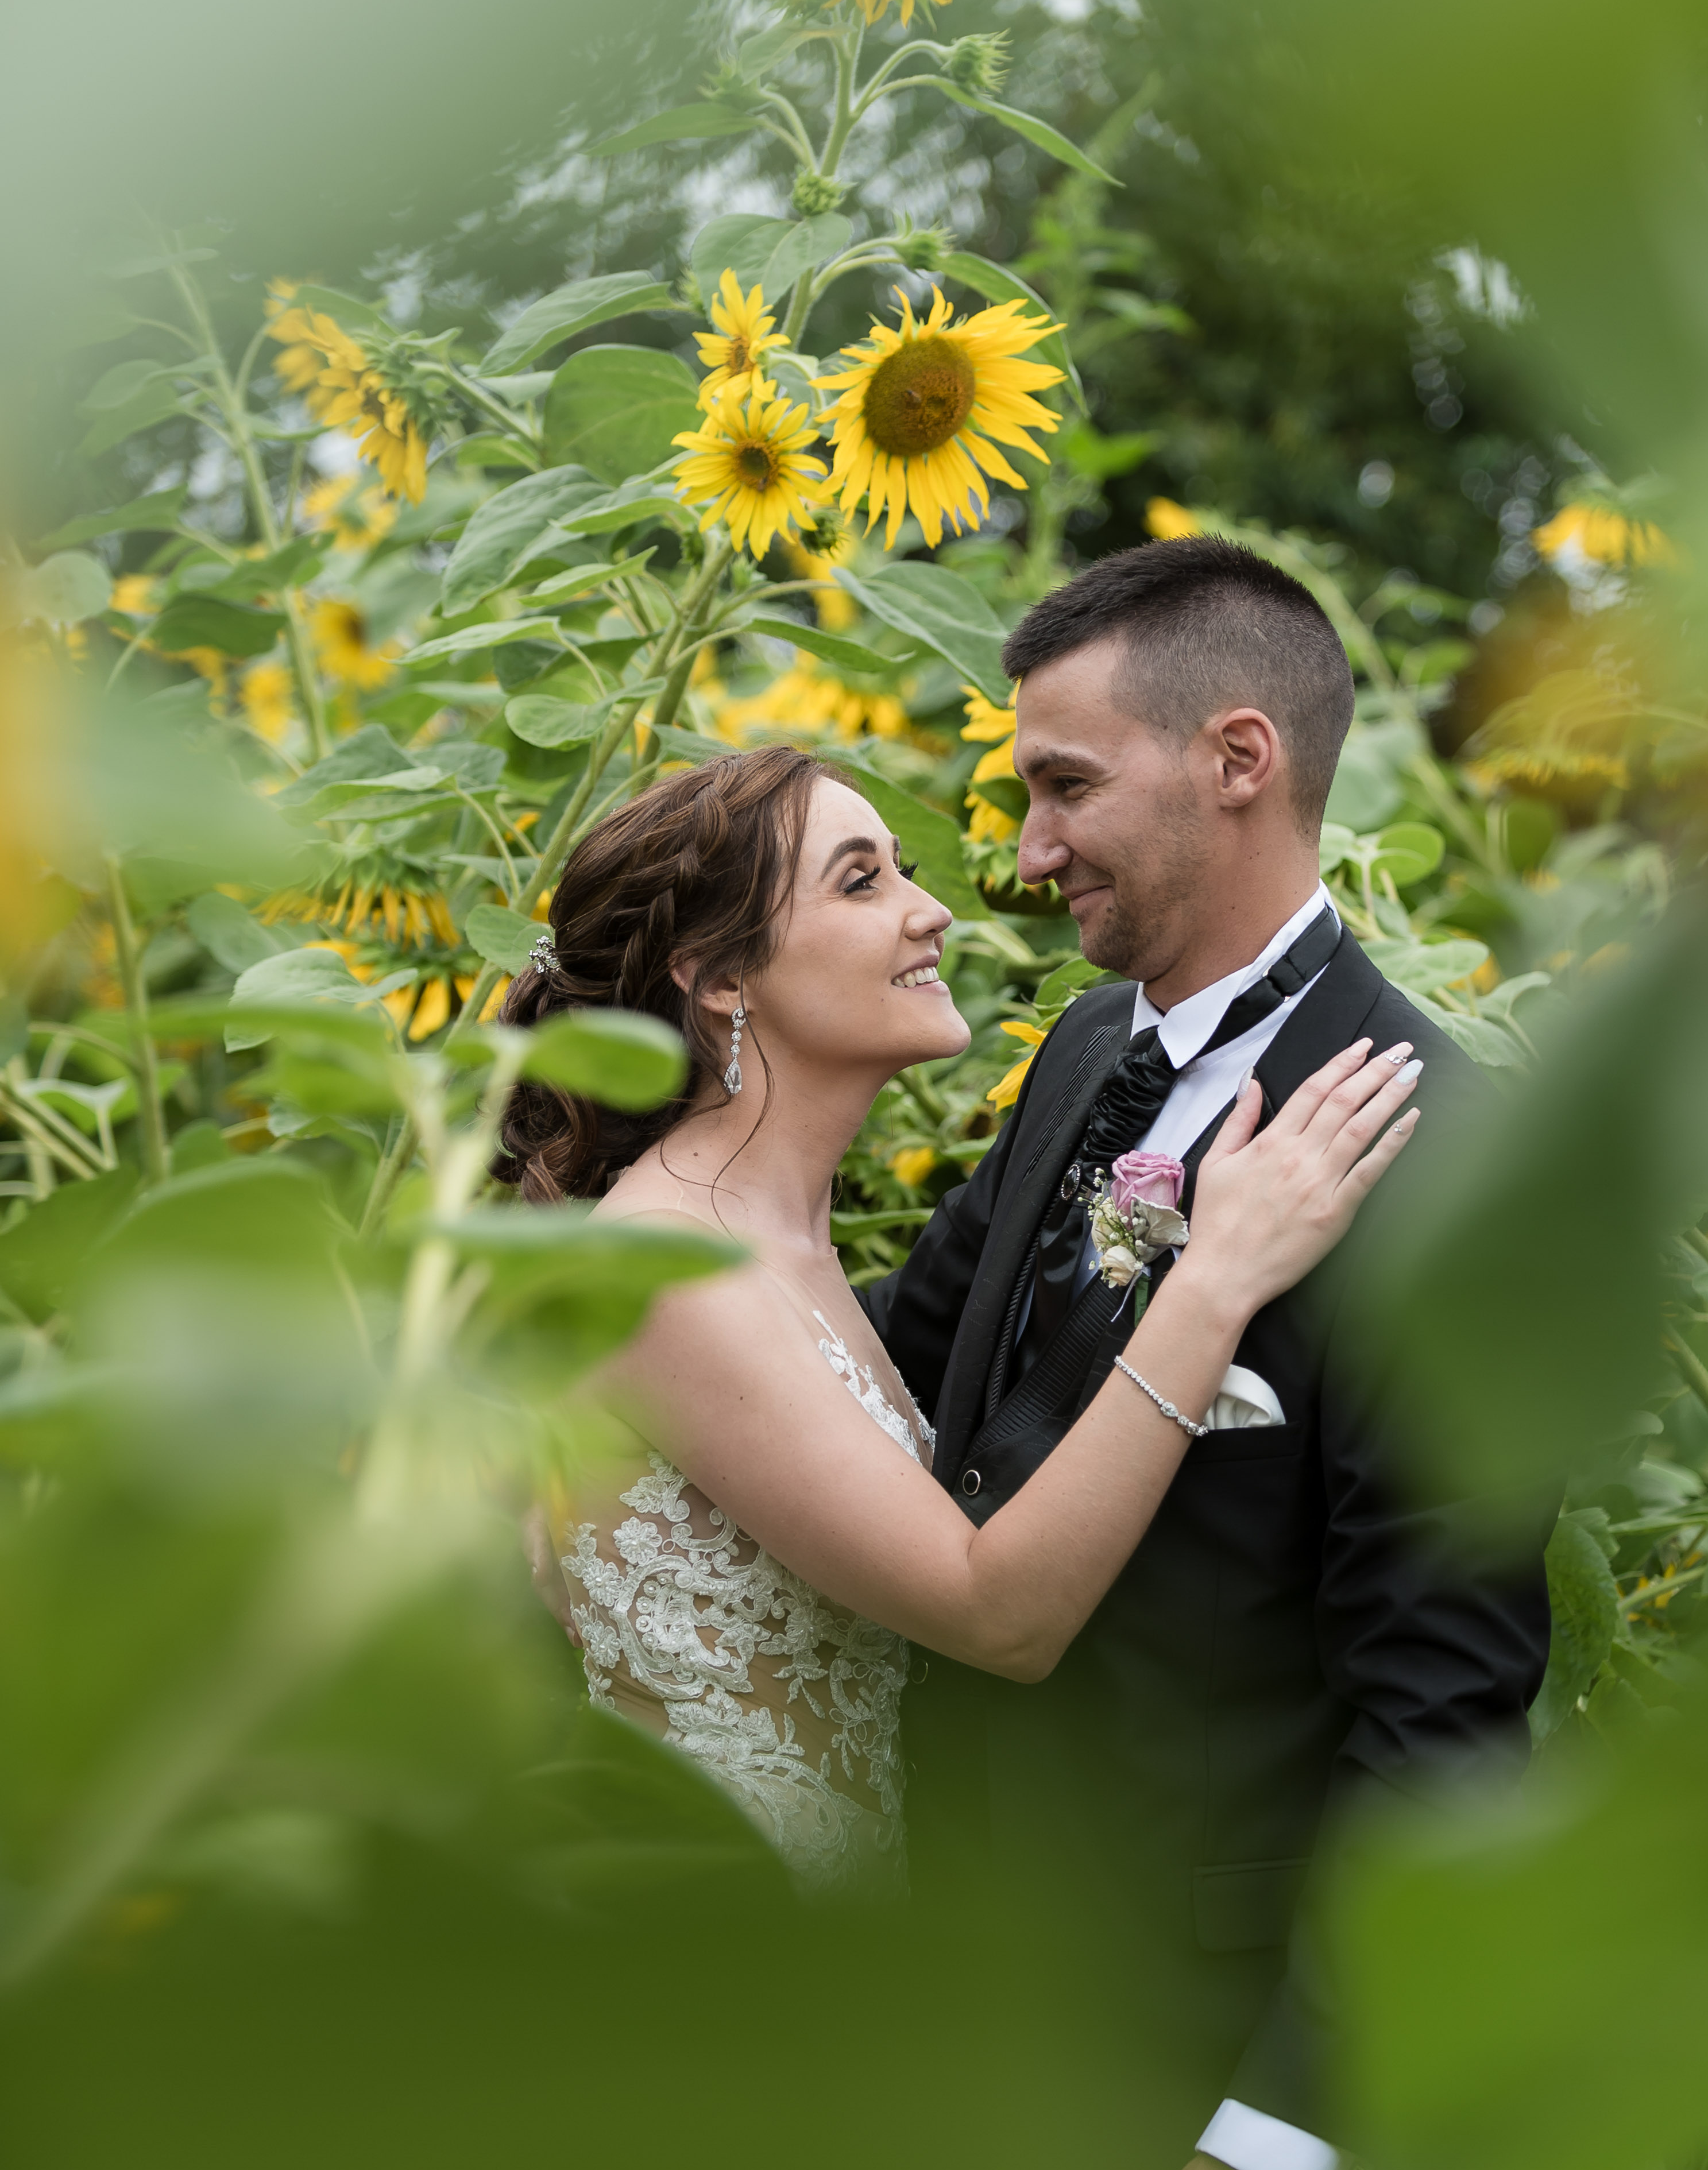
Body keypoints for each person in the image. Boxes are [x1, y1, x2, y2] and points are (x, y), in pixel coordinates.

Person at [862, 535, 1553, 2170]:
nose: (1020, 850)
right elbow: (907, 1359)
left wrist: (1269, 2150)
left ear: (1237, 757)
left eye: (1062, 786)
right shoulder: (1087, 1047)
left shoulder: (1444, 1160)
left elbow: (1449, 1710)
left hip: (1186, 2069)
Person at [500, 742, 1421, 1901]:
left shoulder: (772, 1236)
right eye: (860, 881)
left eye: (904, 867)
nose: (931, 912)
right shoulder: (667, 1270)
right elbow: (997, 1615)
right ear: (721, 978)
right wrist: (1215, 1280)